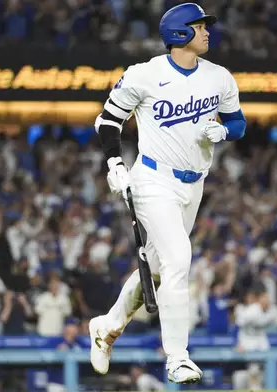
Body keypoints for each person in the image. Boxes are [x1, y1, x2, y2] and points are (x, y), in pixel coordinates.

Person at [89, 2, 246, 384]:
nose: (207, 31)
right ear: (180, 33)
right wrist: (114, 163)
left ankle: (107, 326)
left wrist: (224, 132)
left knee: (158, 271)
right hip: (153, 180)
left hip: (194, 184)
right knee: (178, 259)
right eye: (200, 26)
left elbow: (238, 121)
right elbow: (108, 120)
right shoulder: (145, 74)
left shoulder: (219, 77)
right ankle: (177, 357)